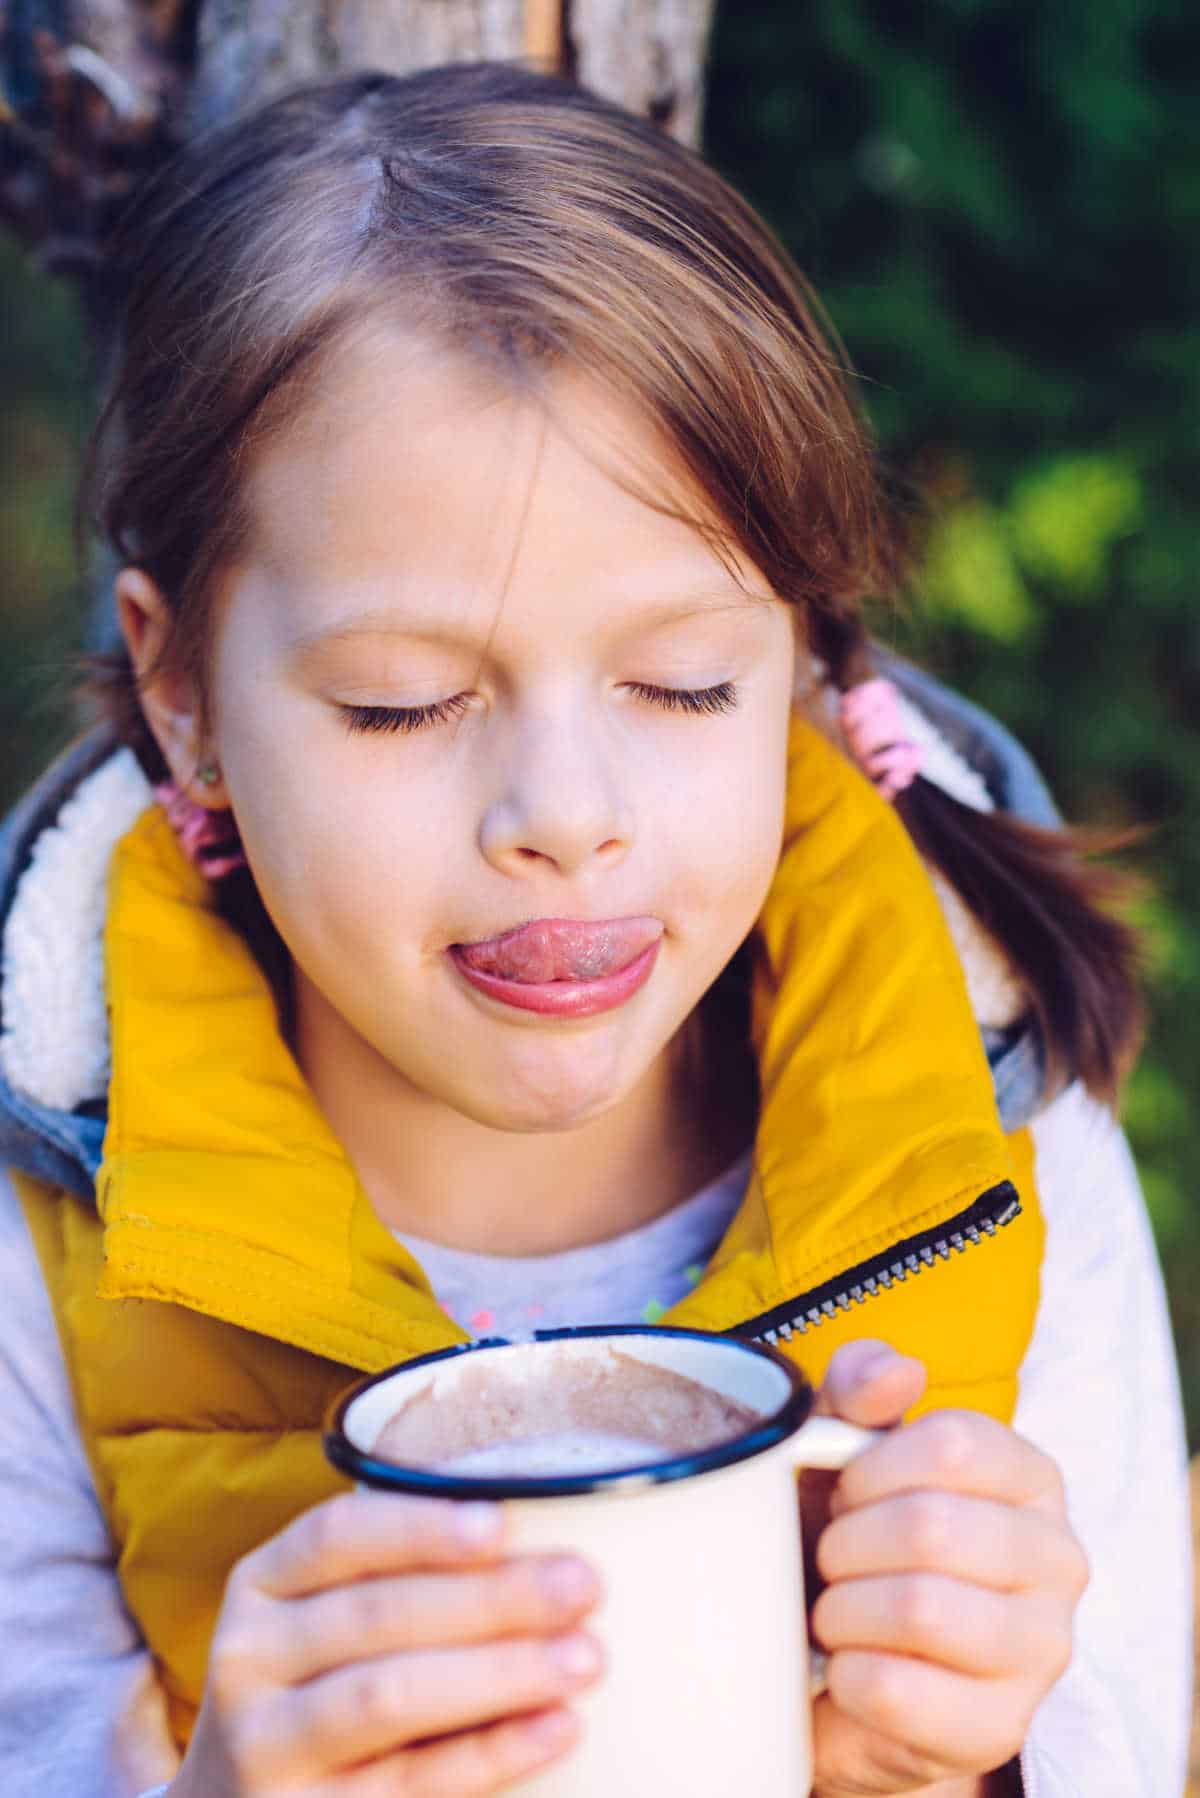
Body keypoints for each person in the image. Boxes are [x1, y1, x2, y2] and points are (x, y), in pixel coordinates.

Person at [0, 61, 1188, 1798]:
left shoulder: (1004, 1128)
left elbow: (1126, 1742)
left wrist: (968, 1763)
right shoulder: (43, 1225)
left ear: (799, 654)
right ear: (181, 696)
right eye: (403, 705)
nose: (564, 809)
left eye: (684, 682)